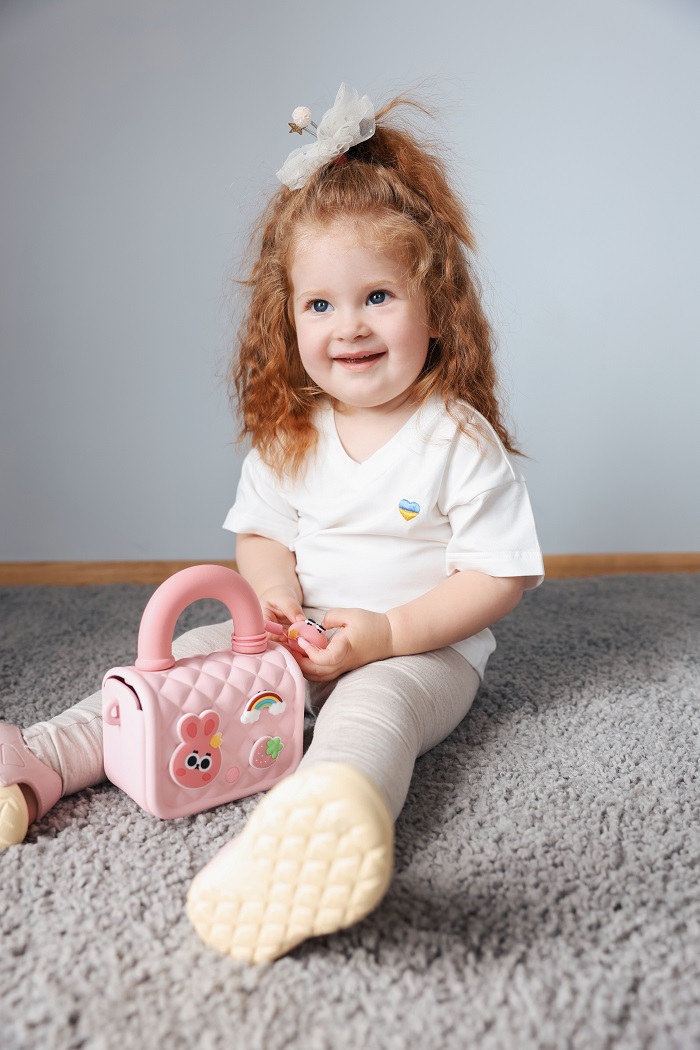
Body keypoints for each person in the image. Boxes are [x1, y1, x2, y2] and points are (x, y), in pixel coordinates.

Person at [0, 83, 544, 964]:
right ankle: (40, 761)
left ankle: (319, 822)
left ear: (436, 305)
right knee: (189, 657)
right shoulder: (292, 432)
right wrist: (275, 601)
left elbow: (498, 575)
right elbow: (261, 536)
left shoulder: (455, 436)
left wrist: (387, 634)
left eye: (378, 296)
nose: (348, 327)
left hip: (420, 649)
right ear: (287, 318)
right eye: (320, 305)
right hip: (296, 633)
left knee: (376, 712)